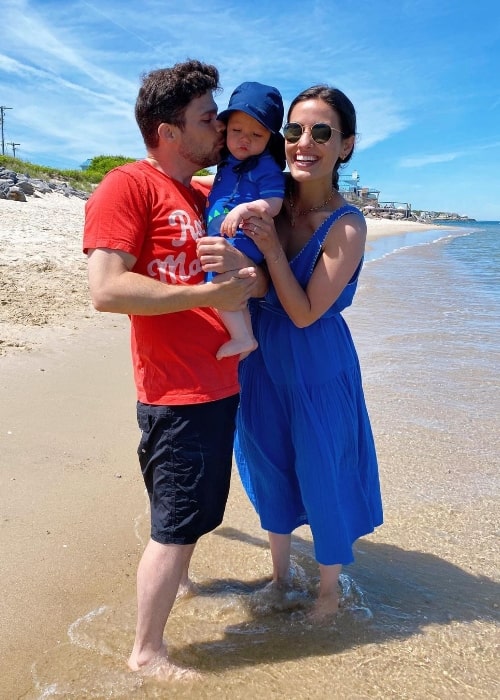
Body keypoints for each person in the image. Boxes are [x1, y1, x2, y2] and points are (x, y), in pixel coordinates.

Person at [83, 60, 266, 680]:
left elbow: (244, 278)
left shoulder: (204, 194)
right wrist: (210, 299)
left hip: (217, 381)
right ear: (168, 131)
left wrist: (245, 276)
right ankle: (148, 652)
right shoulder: (127, 186)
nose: (220, 129)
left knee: (191, 512)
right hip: (176, 389)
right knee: (174, 524)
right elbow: (106, 290)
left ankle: (182, 587)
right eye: (207, 119)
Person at [230, 84, 384, 619]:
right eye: (294, 131)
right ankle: (278, 577)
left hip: (316, 359)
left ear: (345, 146)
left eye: (322, 132)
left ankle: (327, 592)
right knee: (268, 462)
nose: (305, 143)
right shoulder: (270, 197)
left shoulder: (347, 225)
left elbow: (302, 312)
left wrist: (270, 248)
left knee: (324, 469)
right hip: (259, 355)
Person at [202, 81, 286, 359]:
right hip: (226, 235)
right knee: (234, 292)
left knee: (219, 282)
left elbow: (274, 203)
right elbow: (216, 183)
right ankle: (246, 338)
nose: (244, 140)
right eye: (236, 131)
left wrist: (243, 211)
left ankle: (240, 337)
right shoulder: (227, 162)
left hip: (243, 238)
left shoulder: (266, 167)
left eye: (256, 134)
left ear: (269, 140)